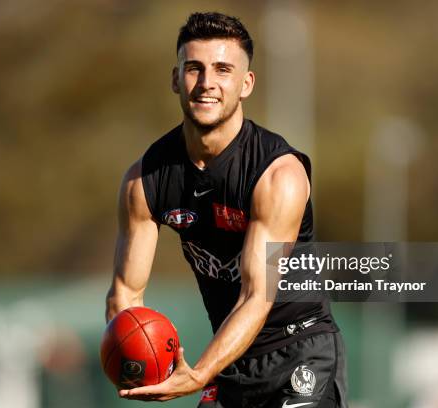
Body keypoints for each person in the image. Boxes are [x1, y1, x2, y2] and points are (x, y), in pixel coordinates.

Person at [105, 12, 347, 408]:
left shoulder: (277, 174)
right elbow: (125, 294)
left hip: (299, 349)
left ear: (245, 83)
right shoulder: (144, 181)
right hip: (228, 358)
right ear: (174, 78)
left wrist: (198, 374)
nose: (206, 84)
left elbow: (256, 296)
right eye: (194, 69)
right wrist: (140, 363)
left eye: (222, 69)